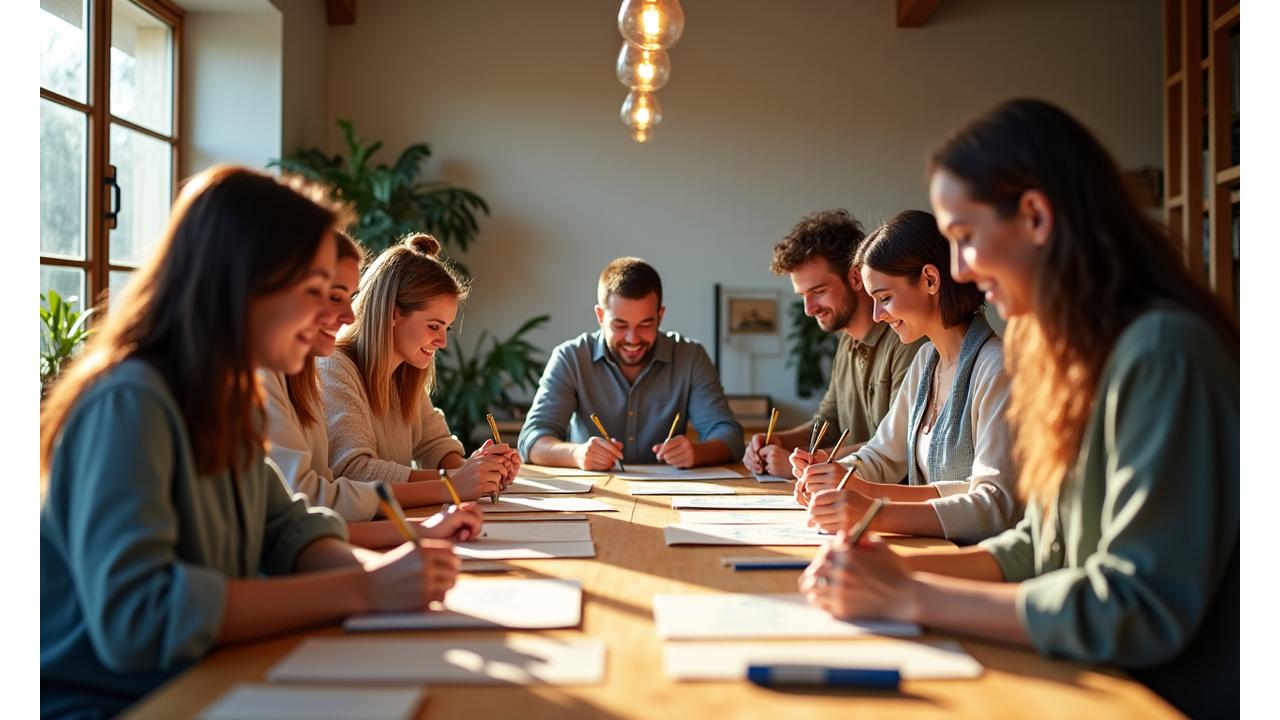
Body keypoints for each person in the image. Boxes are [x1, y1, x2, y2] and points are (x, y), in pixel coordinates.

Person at [800, 99, 1238, 718]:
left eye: (964, 237)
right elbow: (1040, 544)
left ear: (1034, 216)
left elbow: (1138, 604)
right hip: (1083, 677)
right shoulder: (1074, 357)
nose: (958, 267)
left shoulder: (1162, 352)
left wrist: (913, 598)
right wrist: (891, 570)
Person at [40, 167, 468, 718]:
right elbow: (140, 616)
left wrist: (378, 574)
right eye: (315, 291)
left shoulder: (225, 397)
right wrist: (363, 590)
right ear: (241, 285)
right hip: (117, 704)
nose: (336, 317)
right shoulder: (130, 402)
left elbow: (287, 527)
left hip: (210, 678)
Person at [794, 210, 1019, 544]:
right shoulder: (926, 360)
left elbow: (994, 506)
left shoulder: (997, 368)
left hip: (968, 563)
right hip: (927, 551)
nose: (877, 315)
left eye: (884, 298)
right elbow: (882, 454)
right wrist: (834, 474)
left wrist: (869, 501)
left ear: (930, 280)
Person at [260, 231, 483, 547]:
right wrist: (450, 485)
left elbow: (308, 522)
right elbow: (333, 486)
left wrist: (471, 473)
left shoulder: (399, 373)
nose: (350, 314)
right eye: (334, 296)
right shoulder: (326, 367)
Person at [319, 234, 519, 502]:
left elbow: (435, 445)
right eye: (434, 326)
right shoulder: (334, 367)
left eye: (446, 329)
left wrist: (481, 470)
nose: (442, 342)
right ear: (393, 313)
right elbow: (354, 472)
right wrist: (457, 480)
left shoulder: (404, 372)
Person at [518, 257, 744, 470]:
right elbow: (531, 439)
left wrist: (697, 453)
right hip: (595, 493)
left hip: (669, 492)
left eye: (645, 324)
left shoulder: (690, 357)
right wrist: (577, 454)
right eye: (620, 325)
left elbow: (730, 436)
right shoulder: (571, 358)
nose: (633, 338)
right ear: (600, 316)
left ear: (660, 316)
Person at [745, 210, 925, 478]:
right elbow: (827, 425)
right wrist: (778, 441)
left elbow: (898, 444)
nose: (809, 309)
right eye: (803, 295)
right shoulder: (846, 343)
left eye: (818, 292)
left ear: (856, 278)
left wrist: (811, 463)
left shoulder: (907, 340)